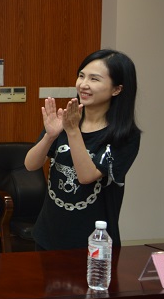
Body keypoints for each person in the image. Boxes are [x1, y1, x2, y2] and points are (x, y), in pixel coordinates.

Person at [25, 49, 141, 249]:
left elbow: (87, 176)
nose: (83, 84)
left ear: (117, 89)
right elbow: (30, 165)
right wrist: (50, 136)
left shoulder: (124, 135)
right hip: (48, 235)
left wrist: (73, 132)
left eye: (94, 79)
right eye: (81, 76)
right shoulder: (67, 120)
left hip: (94, 243)